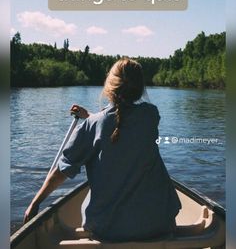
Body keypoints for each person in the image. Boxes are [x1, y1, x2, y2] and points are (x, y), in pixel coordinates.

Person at [24, 58, 181, 241]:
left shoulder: (93, 125)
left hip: (108, 229)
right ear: (140, 88)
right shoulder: (151, 116)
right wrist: (90, 117)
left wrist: (35, 202)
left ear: (109, 85)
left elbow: (62, 171)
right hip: (158, 223)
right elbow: (119, 125)